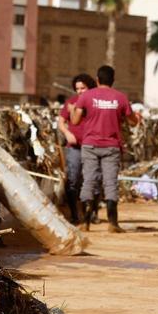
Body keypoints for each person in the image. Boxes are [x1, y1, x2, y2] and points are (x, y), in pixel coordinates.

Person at [69, 65, 141, 233]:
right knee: (110, 183)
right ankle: (113, 223)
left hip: (90, 145)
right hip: (111, 146)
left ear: (97, 80)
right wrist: (135, 117)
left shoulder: (86, 96)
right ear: (113, 80)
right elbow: (133, 122)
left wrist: (73, 111)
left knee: (89, 181)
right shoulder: (120, 98)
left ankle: (85, 222)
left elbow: (75, 121)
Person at [58, 73, 97, 224]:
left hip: (92, 147)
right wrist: (67, 133)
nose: (80, 91)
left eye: (83, 88)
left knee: (92, 180)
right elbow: (61, 122)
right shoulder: (71, 102)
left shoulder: (95, 103)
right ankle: (74, 214)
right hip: (74, 148)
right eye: (77, 88)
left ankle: (91, 213)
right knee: (73, 180)